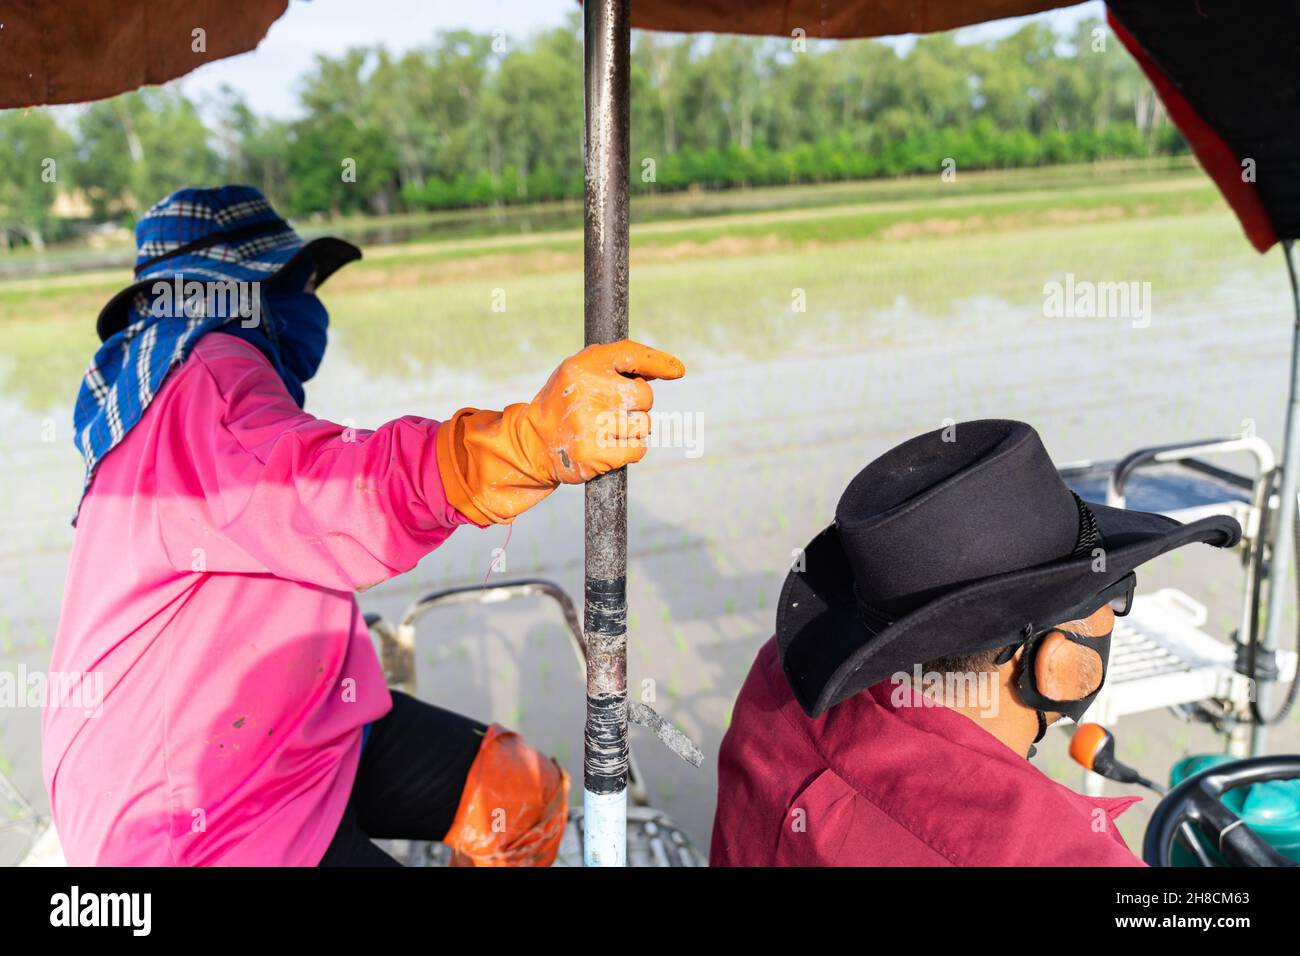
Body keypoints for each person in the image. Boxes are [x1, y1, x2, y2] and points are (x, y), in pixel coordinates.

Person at [42, 185, 685, 866]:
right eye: (294, 282)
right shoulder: (207, 382)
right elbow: (323, 492)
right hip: (198, 809)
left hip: (296, 733)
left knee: (520, 794)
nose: (309, 300)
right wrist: (521, 443)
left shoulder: (170, 388)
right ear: (235, 292)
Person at [710, 419, 1241, 866]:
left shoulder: (779, 681)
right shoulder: (1063, 855)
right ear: (1051, 661)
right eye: (1115, 591)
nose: (1119, 614)